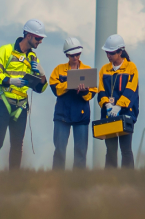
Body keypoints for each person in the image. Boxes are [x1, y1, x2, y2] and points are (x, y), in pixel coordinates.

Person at [0, 18, 47, 172]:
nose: (40, 42)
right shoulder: (5, 50)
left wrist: (42, 74)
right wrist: (10, 81)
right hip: (2, 101)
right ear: (29, 36)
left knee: (17, 145)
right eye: (38, 38)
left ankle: (14, 181)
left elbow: (40, 89)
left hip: (21, 106)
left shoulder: (33, 58)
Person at [49, 36, 96, 170]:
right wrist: (70, 84)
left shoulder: (87, 70)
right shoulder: (58, 70)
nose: (75, 57)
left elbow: (92, 93)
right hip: (62, 115)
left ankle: (78, 181)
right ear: (67, 55)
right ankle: (57, 179)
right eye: (72, 55)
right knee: (59, 150)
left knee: (81, 151)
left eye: (78, 54)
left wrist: (83, 91)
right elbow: (55, 89)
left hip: (81, 115)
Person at [97, 34, 139, 169]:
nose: (108, 55)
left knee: (126, 149)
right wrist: (107, 104)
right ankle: (110, 180)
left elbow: (131, 90)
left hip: (126, 114)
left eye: (111, 53)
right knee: (110, 150)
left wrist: (119, 107)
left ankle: (127, 180)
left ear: (120, 52)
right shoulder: (104, 69)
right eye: (107, 52)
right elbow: (101, 90)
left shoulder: (131, 67)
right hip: (109, 115)